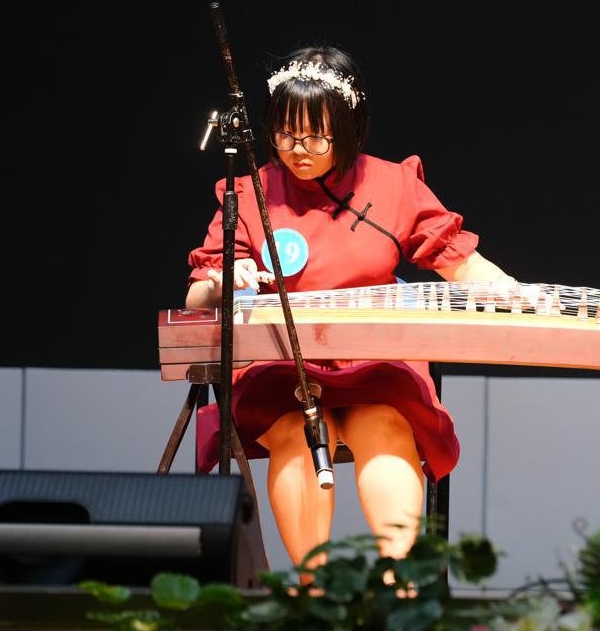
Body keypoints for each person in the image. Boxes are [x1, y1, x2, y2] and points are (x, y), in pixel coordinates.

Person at [185, 45, 513, 582]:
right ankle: (312, 587)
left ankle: (396, 584)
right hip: (284, 368)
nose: (299, 150)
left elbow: (460, 262)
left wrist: (512, 291)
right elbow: (197, 297)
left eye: (316, 136)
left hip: (373, 363)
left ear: (349, 127)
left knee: (385, 426)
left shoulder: (392, 186)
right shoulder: (249, 193)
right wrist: (222, 282)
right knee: (294, 432)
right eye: (286, 134)